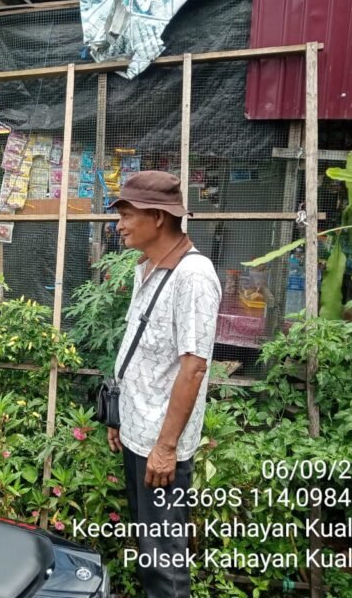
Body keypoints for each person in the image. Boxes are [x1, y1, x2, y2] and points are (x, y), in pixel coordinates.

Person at [106, 171, 221, 597]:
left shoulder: (193, 277)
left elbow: (193, 367)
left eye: (126, 214)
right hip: (140, 433)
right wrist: (120, 416)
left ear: (157, 217)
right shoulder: (147, 267)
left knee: (164, 561)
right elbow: (147, 354)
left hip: (160, 444)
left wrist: (166, 447)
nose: (118, 224)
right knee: (149, 548)